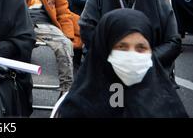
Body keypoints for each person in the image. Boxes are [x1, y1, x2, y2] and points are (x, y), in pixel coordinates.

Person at [56, 8, 188, 118]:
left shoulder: (166, 104)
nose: (132, 55)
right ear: (104, 49)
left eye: (141, 48)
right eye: (122, 47)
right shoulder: (77, 107)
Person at [13, 0, 81, 94]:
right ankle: (16, 91)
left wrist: (68, 36)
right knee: (12, 48)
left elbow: (63, 11)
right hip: (21, 22)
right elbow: (8, 9)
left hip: (45, 22)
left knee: (64, 45)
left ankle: (66, 90)